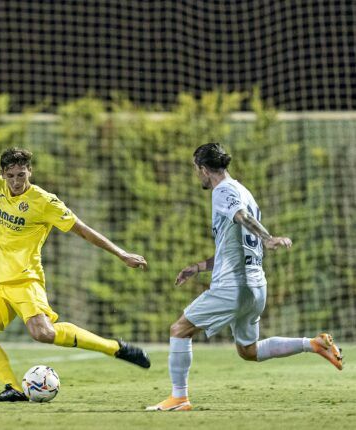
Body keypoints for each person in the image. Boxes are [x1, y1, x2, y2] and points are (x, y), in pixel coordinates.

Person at [0, 132, 151, 402]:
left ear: (29, 172)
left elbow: (82, 230)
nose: (17, 181)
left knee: (43, 334)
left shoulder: (44, 202)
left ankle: (115, 348)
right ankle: (11, 387)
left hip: (26, 281)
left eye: (22, 175)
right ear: (2, 174)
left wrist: (122, 253)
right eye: (11, 176)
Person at [147, 142, 343, 412]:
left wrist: (268, 238)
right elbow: (236, 246)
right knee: (248, 351)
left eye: (196, 170)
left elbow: (241, 217)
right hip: (255, 286)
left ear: (204, 169)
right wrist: (199, 267)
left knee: (179, 330)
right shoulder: (245, 192)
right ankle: (313, 344)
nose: (197, 175)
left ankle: (179, 397)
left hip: (233, 286)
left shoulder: (222, 190)